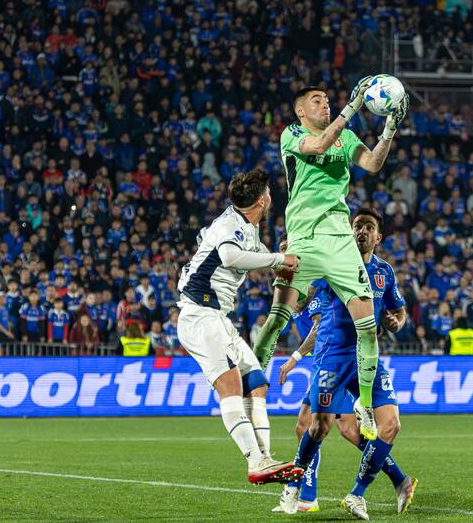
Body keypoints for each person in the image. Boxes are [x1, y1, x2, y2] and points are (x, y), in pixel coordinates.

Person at [252, 81, 410, 442]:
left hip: (340, 242)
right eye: (316, 101)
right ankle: (253, 390)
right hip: (304, 239)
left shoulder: (346, 137)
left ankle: (365, 404)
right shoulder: (291, 135)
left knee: (367, 326)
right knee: (277, 317)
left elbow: (372, 163)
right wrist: (353, 106)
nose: (325, 104)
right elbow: (320, 144)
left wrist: (389, 128)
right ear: (301, 111)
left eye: (326, 100)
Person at [275, 208, 415, 519]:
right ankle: (295, 485)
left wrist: (397, 321)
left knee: (390, 425)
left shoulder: (384, 272)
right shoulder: (331, 264)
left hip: (367, 357)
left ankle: (357, 495)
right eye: (357, 226)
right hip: (332, 357)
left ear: (378, 237)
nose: (362, 231)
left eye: (369, 227)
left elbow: (398, 309)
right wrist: (290, 272)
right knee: (319, 427)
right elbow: (303, 300)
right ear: (350, 232)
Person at [175, 169, 300, 486]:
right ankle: (256, 461)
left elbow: (247, 251)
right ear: (262, 201)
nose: (271, 196)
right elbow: (230, 256)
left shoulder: (245, 226)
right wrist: (278, 260)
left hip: (217, 317)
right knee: (230, 385)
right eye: (268, 192)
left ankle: (265, 457)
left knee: (256, 382)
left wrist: (278, 259)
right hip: (200, 314)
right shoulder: (230, 224)